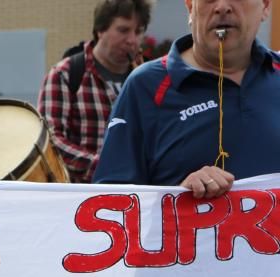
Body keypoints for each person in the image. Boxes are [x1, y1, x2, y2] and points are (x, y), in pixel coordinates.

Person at [93, 0, 280, 194]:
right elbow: (110, 204)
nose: (222, 6)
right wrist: (176, 198)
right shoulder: (145, 86)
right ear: (191, 7)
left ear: (265, 6)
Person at [37, 0, 151, 183]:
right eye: (123, 30)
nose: (132, 41)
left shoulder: (148, 78)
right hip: (81, 198)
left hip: (139, 196)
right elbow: (50, 142)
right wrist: (110, 167)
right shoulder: (64, 75)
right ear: (100, 30)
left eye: (138, 32)